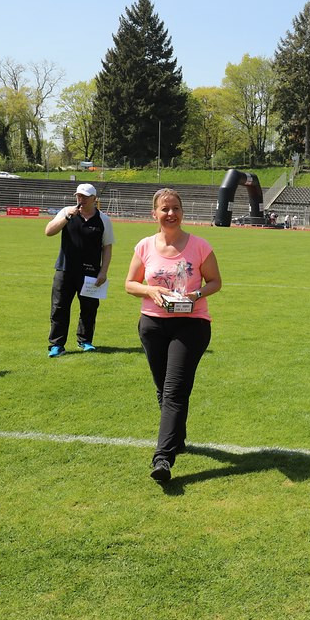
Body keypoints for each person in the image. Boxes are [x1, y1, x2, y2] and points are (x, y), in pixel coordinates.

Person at [125, 188, 222, 483]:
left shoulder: (200, 246)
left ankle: (163, 458)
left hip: (191, 325)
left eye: (176, 208)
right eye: (165, 209)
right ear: (154, 214)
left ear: (183, 211)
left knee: (174, 391)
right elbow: (130, 284)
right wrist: (150, 289)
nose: (171, 214)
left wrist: (196, 293)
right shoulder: (144, 246)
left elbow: (216, 281)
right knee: (163, 388)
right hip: (153, 326)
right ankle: (177, 438)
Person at [44, 183, 114, 357]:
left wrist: (103, 272)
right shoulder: (66, 212)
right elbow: (48, 231)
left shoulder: (103, 219)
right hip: (65, 270)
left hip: (90, 272)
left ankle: (85, 341)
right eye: (78, 196)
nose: (80, 199)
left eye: (84, 196)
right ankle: (57, 345)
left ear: (94, 199)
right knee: (59, 307)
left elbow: (107, 247)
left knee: (89, 309)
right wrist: (66, 218)